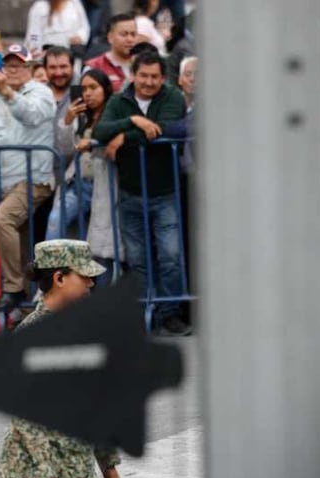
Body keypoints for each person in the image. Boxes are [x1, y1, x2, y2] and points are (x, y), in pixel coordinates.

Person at [0, 239, 121, 478]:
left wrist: (108, 463)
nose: (91, 283)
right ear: (60, 278)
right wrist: (44, 473)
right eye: (84, 276)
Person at [93, 51, 189, 335]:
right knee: (138, 258)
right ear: (132, 75)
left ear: (163, 77)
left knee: (170, 255)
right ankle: (144, 309)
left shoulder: (172, 97)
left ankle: (170, 312)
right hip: (130, 192)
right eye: (143, 76)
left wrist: (124, 137)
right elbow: (100, 130)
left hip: (164, 191)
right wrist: (133, 122)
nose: (148, 82)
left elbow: (168, 128)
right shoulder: (119, 100)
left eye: (155, 77)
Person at [0, 44, 56, 325]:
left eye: (19, 66)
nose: (13, 70)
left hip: (34, 178)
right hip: (1, 180)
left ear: (30, 69)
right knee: (19, 244)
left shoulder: (41, 92)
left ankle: (14, 289)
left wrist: (8, 92)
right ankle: (31, 310)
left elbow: (33, 115)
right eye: (9, 65)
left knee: (1, 220)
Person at [47, 68, 113, 243]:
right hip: (78, 184)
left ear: (105, 89)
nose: (88, 93)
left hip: (104, 186)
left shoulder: (114, 113)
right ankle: (49, 269)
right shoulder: (82, 116)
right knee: (55, 221)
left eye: (93, 87)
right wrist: (67, 122)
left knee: (97, 242)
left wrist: (92, 144)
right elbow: (66, 150)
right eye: (83, 89)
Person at [85, 13, 137, 93]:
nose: (130, 39)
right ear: (110, 37)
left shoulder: (144, 65)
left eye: (133, 34)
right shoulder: (94, 67)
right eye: (124, 34)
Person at [25, 0, 90, 54]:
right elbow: (33, 33)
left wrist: (80, 36)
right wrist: (36, 50)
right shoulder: (40, 6)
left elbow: (84, 26)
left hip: (71, 51)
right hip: (48, 51)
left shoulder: (75, 3)